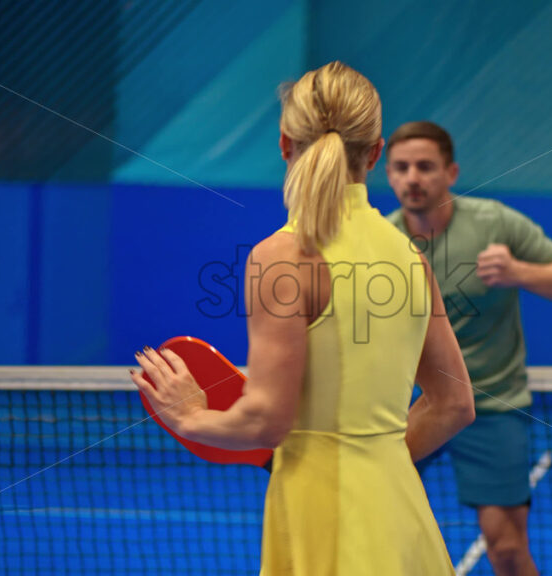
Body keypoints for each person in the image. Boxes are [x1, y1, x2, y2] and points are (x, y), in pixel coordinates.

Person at [132, 64, 475, 575]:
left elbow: (267, 421)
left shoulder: (282, 257)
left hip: (321, 516)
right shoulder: (410, 258)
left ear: (285, 143)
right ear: (378, 152)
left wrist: (190, 416)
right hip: (400, 513)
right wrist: (371, 463)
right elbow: (454, 405)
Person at [384, 121, 552, 576]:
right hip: (413, 407)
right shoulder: (382, 240)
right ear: (387, 175)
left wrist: (519, 271)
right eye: (400, 168)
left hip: (493, 403)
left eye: (425, 166)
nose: (412, 178)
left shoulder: (495, 222)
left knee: (507, 549)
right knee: (380, 540)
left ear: (451, 172)